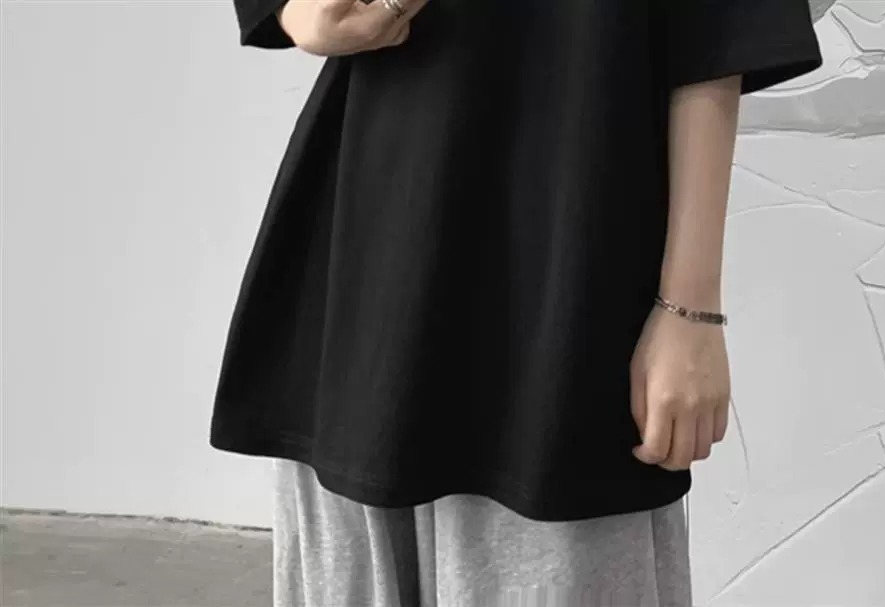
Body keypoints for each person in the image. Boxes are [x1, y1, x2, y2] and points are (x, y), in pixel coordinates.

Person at [210, 1, 823, 605]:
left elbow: (719, 26)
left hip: (575, 292)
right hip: (365, 261)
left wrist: (690, 308)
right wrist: (293, 10)